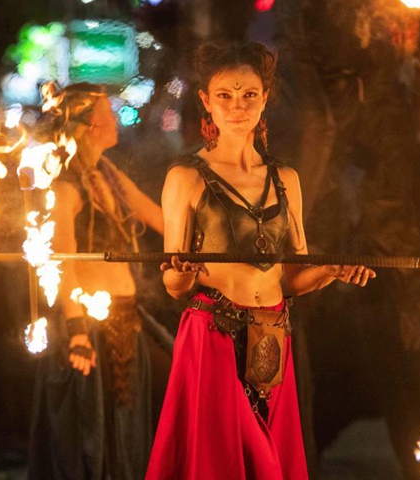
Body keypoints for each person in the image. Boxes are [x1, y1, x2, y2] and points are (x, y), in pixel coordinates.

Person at [145, 41, 376, 480]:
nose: (237, 106)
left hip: (272, 337)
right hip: (213, 336)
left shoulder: (285, 179)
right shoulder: (186, 177)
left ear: (265, 98)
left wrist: (329, 272)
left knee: (270, 460)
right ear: (206, 102)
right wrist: (182, 271)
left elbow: (291, 277)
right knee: (236, 465)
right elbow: (174, 287)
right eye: (225, 96)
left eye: (249, 94)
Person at [28, 83, 163, 480]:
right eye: (108, 113)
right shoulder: (66, 188)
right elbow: (61, 264)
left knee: (131, 432)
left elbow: (160, 219)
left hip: (127, 323)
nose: (116, 118)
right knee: (93, 440)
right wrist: (77, 331)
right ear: (88, 127)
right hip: (92, 330)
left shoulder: (108, 174)